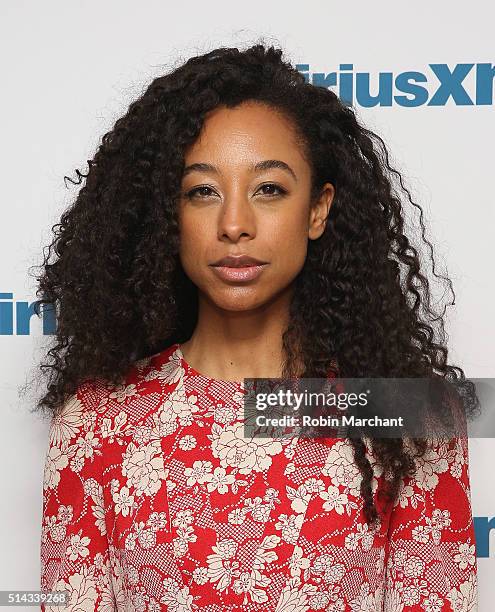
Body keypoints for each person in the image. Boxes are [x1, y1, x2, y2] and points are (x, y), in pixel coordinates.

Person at [34, 43, 478, 611]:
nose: (234, 224)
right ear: (169, 215)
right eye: (202, 192)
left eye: (269, 189)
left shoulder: (408, 416)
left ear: (317, 209)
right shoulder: (98, 421)